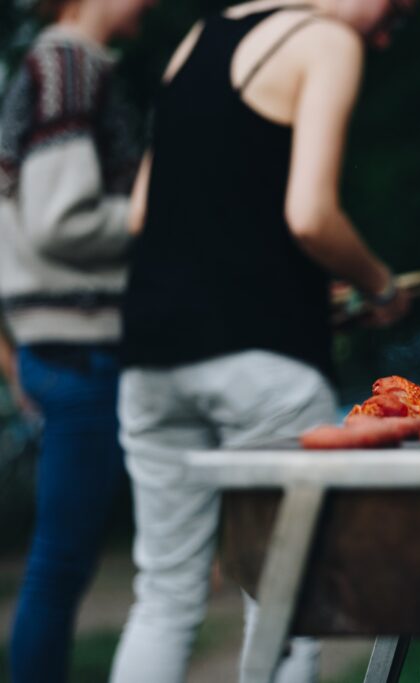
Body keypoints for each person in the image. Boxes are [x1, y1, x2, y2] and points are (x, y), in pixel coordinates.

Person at [109, 0, 412, 680]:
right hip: (264, 365)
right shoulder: (328, 41)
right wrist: (381, 286)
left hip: (153, 353)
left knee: (162, 596)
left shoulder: (198, 37)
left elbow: (141, 214)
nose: (389, 34)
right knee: (285, 602)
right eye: (398, 11)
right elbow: (310, 215)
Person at [0, 0, 152, 680]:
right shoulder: (65, 64)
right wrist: (159, 219)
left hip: (62, 346)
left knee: (63, 560)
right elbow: (61, 219)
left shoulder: (60, 65)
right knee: (61, 561)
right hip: (80, 347)